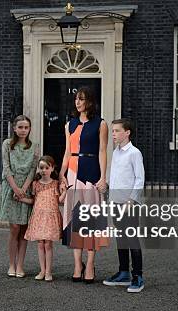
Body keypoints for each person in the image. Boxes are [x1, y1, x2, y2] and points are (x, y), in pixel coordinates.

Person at [59, 87, 109, 284]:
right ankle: (77, 264)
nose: (77, 103)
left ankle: (90, 264)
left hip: (91, 173)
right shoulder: (69, 125)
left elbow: (103, 151)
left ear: (90, 101)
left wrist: (103, 177)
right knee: (74, 221)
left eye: (81, 99)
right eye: (76, 99)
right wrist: (61, 174)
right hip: (72, 174)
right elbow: (67, 151)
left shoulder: (101, 124)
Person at [102, 118, 146, 293]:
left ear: (127, 133)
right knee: (121, 239)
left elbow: (139, 179)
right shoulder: (117, 152)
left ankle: (138, 277)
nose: (113, 134)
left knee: (132, 239)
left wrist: (131, 200)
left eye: (117, 130)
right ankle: (123, 272)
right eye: (112, 131)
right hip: (116, 202)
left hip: (129, 205)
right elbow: (115, 177)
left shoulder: (134, 153)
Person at [0, 115, 40, 278]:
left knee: (24, 229)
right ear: (14, 128)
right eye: (20, 127)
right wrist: (15, 188)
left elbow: (33, 169)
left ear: (29, 129)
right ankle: (11, 264)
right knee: (14, 228)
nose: (23, 130)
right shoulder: (7, 144)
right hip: (11, 187)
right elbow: (6, 167)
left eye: (26, 127)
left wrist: (23, 189)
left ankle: (20, 265)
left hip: (25, 188)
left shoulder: (34, 146)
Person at [18, 155, 65, 282]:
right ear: (38, 169)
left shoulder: (56, 184)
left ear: (52, 168)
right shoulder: (35, 184)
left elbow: (60, 200)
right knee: (40, 244)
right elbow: (34, 201)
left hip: (50, 216)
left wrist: (65, 191)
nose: (44, 170)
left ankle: (49, 271)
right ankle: (42, 270)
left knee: (48, 244)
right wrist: (22, 199)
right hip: (38, 216)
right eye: (41, 168)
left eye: (46, 167)